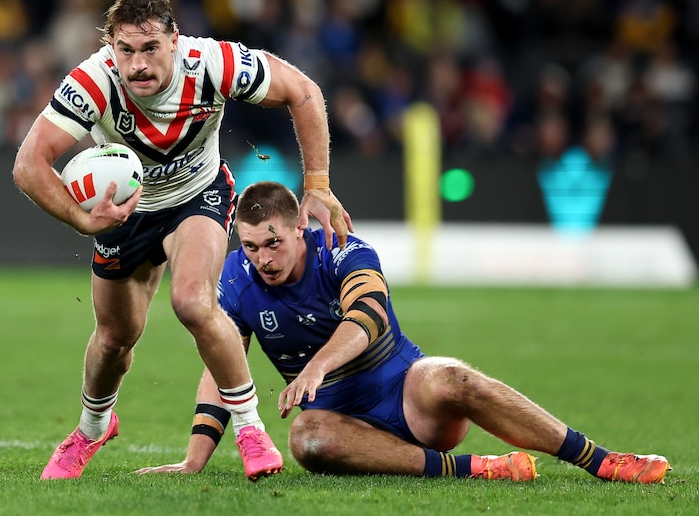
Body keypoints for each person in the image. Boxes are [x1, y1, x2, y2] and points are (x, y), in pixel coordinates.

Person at [12, 0, 353, 481]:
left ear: (175, 40)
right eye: (125, 50)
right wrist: (84, 219)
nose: (137, 64)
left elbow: (302, 91)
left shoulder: (213, 63)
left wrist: (318, 184)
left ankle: (251, 430)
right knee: (114, 339)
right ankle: (92, 428)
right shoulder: (94, 80)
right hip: (127, 214)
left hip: (198, 195)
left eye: (150, 48)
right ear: (111, 47)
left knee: (193, 301)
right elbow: (28, 165)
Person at [137, 181, 671, 484]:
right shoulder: (234, 277)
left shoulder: (344, 247)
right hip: (340, 422)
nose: (262, 259)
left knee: (451, 378)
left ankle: (602, 460)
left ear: (301, 227)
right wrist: (194, 460)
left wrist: (317, 366)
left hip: (407, 397)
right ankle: (479, 469)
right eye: (251, 247)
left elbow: (367, 316)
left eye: (273, 243)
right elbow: (221, 364)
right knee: (307, 439)